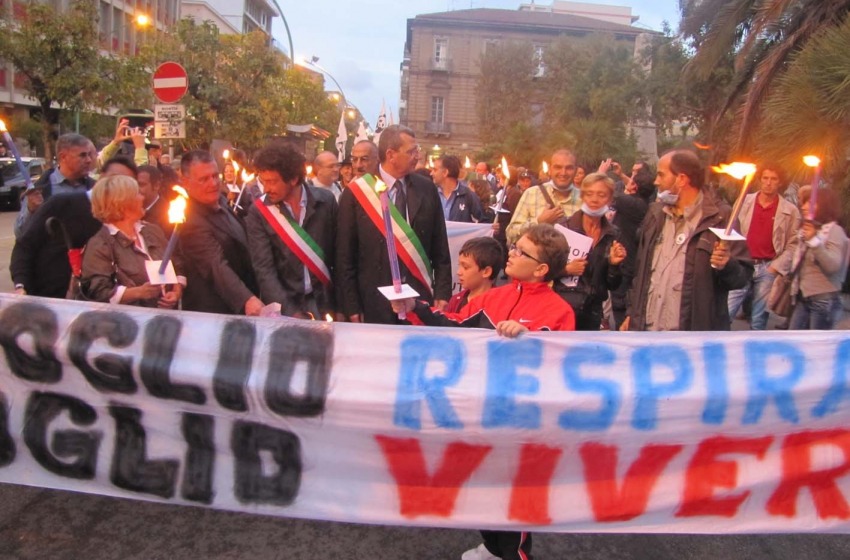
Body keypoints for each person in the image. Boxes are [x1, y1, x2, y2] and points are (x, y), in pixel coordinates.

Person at [336, 124, 452, 324]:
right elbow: (345, 256)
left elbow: (440, 247)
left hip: (418, 299)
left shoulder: (426, 189)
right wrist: (351, 305)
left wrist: (442, 292)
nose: (417, 156)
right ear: (391, 155)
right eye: (411, 151)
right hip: (373, 302)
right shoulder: (356, 193)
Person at [626, 149, 752, 331]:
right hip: (649, 331)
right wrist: (632, 313)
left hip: (692, 335)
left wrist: (727, 265)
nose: (656, 181)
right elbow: (641, 272)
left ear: (682, 179)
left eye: (661, 175)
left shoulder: (720, 217)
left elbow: (741, 279)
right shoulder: (655, 214)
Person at [10, 157, 136, 298]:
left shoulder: (129, 219)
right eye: (114, 178)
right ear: (101, 177)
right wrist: (21, 285)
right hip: (47, 298)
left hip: (97, 301)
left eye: (126, 181)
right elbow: (25, 244)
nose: (117, 184)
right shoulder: (61, 204)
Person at [246, 142, 338, 319]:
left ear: (294, 179)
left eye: (272, 182)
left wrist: (340, 306)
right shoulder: (259, 213)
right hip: (285, 307)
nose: (266, 189)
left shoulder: (326, 202)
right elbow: (264, 270)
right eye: (263, 182)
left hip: (324, 303)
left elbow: (339, 256)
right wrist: (291, 313)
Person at [178, 150, 263, 316]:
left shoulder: (222, 202)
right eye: (204, 179)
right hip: (214, 313)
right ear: (186, 182)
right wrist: (246, 299)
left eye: (215, 176)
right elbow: (215, 266)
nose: (213, 183)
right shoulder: (190, 221)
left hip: (242, 307)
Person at [80, 174, 183, 307]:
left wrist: (176, 290)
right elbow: (98, 292)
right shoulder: (100, 244)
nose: (143, 197)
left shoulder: (152, 231)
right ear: (122, 203)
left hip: (164, 317)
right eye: (137, 194)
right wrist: (138, 293)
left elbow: (175, 264)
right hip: (127, 318)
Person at [727, 163, 801, 330]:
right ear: (759, 180)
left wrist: (776, 267)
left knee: (758, 319)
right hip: (742, 264)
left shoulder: (789, 210)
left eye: (773, 179)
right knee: (727, 311)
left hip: (767, 266)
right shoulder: (744, 202)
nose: (768, 183)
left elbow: (793, 244)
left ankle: (755, 346)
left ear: (780, 182)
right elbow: (731, 230)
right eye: (765, 178)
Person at [555, 172, 626, 330]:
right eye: (589, 194)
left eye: (601, 195)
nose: (594, 199)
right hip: (563, 306)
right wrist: (566, 270)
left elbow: (613, 284)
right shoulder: (564, 228)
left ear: (610, 200)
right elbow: (542, 270)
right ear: (582, 196)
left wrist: (613, 265)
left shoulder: (613, 233)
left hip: (593, 312)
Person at [778, 188, 849, 330]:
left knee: (817, 343)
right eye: (804, 203)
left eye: (810, 204)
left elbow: (833, 266)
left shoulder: (834, 231)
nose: (804, 207)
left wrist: (814, 241)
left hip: (823, 300)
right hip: (803, 296)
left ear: (824, 206)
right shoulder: (807, 230)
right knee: (794, 339)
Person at [609, 164, 655, 329]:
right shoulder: (648, 204)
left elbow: (609, 194)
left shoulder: (628, 202)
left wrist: (601, 172)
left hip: (624, 261)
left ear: (634, 186)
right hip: (635, 259)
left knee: (619, 303)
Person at [506, 149, 581, 245]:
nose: (563, 172)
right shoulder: (532, 194)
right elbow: (510, 234)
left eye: (569, 168)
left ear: (576, 170)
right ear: (550, 169)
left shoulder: (585, 199)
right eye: (558, 167)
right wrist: (538, 223)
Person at [445, 236, 503, 313]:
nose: (459, 272)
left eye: (465, 267)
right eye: (459, 265)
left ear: (486, 272)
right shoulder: (456, 301)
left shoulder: (500, 304)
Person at [433, 154, 485, 223]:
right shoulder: (431, 194)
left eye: (435, 170)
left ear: (445, 172)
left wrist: (492, 227)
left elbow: (483, 221)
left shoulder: (468, 196)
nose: (431, 173)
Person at [137, 164, 171, 234]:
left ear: (156, 185)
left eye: (141, 185)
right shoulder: (128, 211)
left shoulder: (168, 214)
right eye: (133, 184)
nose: (136, 189)